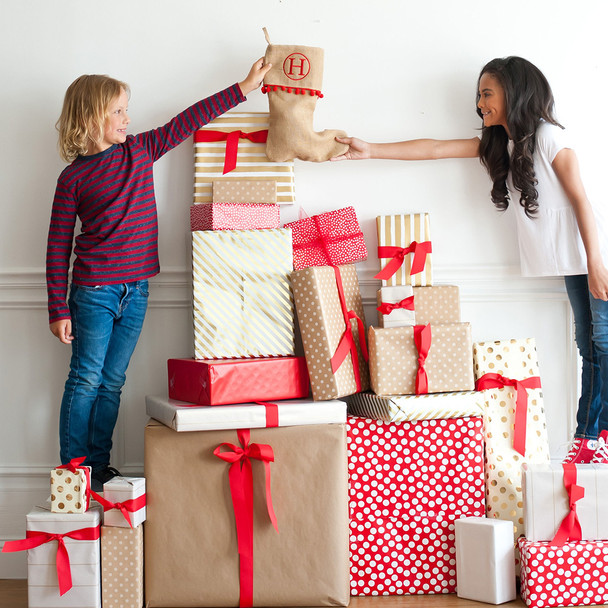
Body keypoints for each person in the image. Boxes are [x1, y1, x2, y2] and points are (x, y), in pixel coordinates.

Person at [332, 56, 608, 464]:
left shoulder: (550, 138)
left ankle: (591, 438)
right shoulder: (505, 143)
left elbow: (583, 202)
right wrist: (370, 149)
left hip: (593, 255)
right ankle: (592, 438)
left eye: (487, 93)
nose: (480, 103)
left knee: (601, 344)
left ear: (514, 92)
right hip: (575, 260)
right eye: (479, 94)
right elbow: (435, 148)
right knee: (590, 345)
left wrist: (597, 266)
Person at [47, 58, 272, 490]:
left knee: (112, 381)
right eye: (118, 110)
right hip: (93, 292)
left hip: (138, 289)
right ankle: (74, 474)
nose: (127, 118)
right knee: (86, 378)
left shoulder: (140, 149)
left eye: (126, 109)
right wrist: (59, 308)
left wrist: (243, 86)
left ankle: (99, 467)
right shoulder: (71, 178)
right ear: (91, 116)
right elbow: (57, 248)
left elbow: (188, 120)